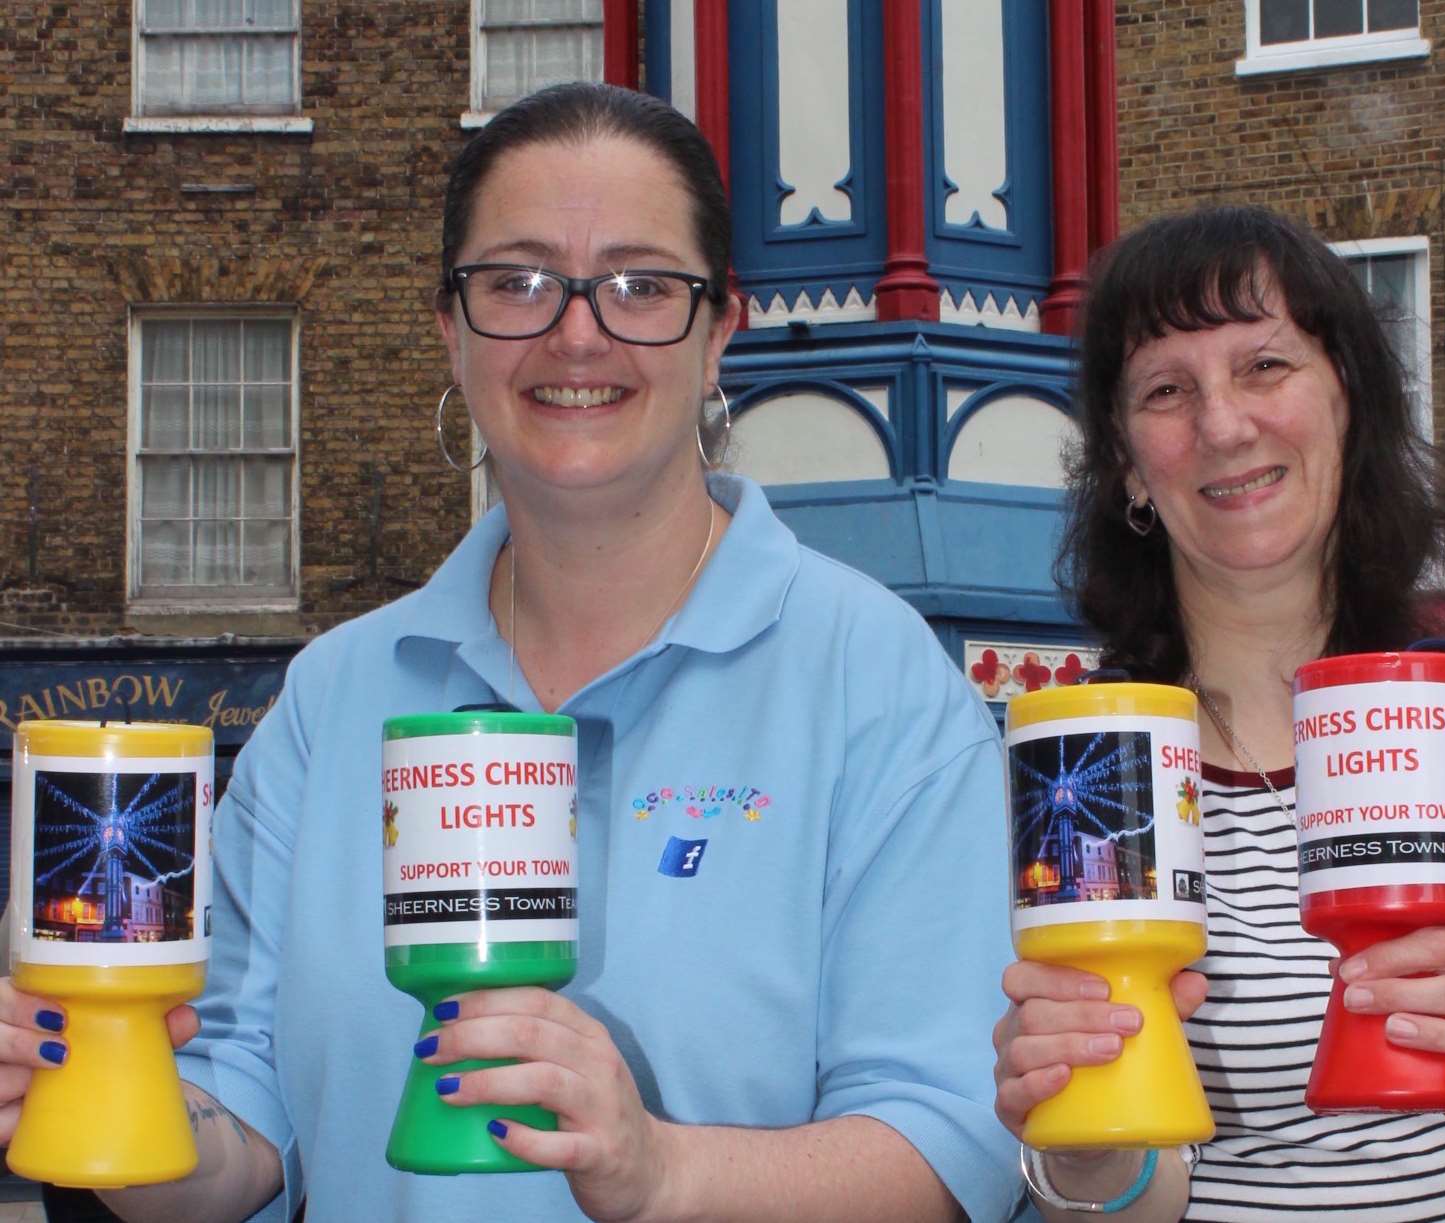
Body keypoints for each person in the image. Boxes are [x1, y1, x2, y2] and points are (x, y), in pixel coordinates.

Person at [0, 82, 1021, 1222]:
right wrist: (98, 1089)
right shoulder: (331, 697)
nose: (575, 331)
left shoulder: (870, 679)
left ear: (718, 327)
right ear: (450, 324)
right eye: (518, 282)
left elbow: (947, 1150)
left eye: (640, 284)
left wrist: (663, 1169)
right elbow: (234, 1139)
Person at [991, 204, 1445, 1221]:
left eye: (1263, 367)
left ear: (1347, 397)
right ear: (1127, 461)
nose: (1222, 424)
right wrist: (1085, 1145)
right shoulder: (1089, 763)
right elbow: (1131, 1195)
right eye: (1167, 390)